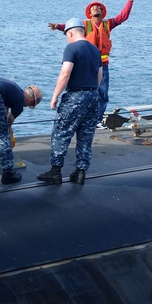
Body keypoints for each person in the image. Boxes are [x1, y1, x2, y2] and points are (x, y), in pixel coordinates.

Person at [48, 0, 137, 121]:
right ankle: (84, 117)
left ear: (102, 12)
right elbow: (71, 27)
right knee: (83, 92)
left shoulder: (108, 24)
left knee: (102, 93)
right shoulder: (84, 24)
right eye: (93, 8)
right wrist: (58, 26)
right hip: (86, 64)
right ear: (89, 13)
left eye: (98, 7)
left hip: (103, 64)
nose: (96, 8)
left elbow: (123, 17)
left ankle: (97, 120)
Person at [37, 18, 103, 186]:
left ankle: (55, 171)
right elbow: (100, 76)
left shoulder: (71, 48)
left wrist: (55, 96)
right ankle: (80, 172)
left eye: (67, 34)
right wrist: (92, 91)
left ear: (71, 32)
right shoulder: (95, 50)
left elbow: (65, 73)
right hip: (93, 96)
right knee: (86, 135)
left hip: (75, 96)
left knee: (61, 131)